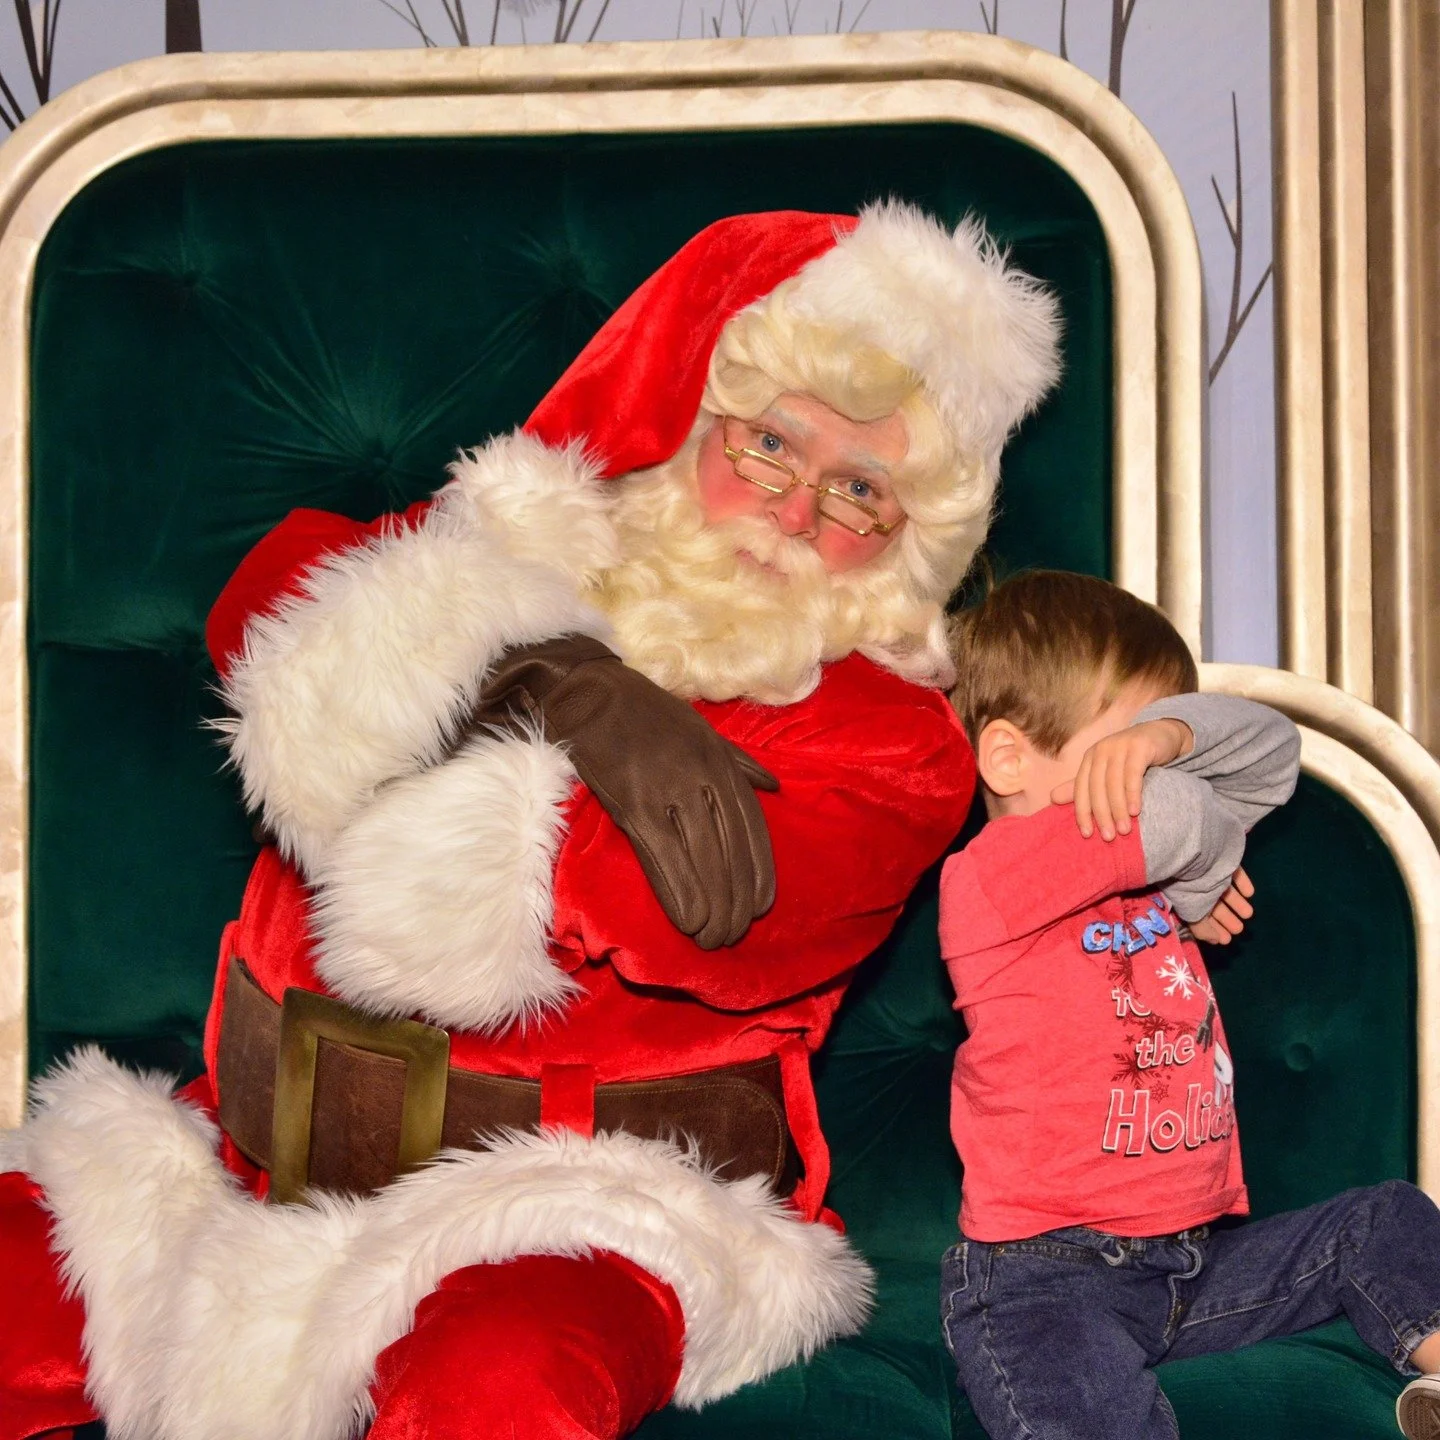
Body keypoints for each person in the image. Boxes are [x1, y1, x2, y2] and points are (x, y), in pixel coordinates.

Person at [0, 203, 1063, 1440]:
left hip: (588, 1204)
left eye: (858, 492)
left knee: (501, 1382)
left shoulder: (887, 744)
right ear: (686, 425)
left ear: (902, 541)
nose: (792, 513)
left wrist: (443, 694)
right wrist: (551, 676)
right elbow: (270, 603)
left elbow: (678, 908)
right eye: (768, 445)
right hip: (236, 1166)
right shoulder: (514, 556)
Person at [937, 569, 1440, 1440]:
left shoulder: (1141, 868)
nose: (1169, 759)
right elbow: (1184, 812)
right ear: (1009, 758)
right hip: (1045, 1280)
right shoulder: (991, 877)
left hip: (1193, 1260)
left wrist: (1164, 736)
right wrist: (1202, 870)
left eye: (1169, 741)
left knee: (1386, 1219)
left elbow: (1273, 750)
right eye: (1129, 740)